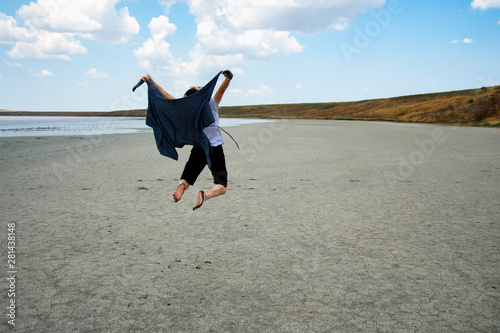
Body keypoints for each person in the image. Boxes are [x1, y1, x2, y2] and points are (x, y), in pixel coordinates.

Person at [141, 71, 233, 210]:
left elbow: (166, 95)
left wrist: (152, 81)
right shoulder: (210, 104)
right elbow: (221, 90)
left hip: (198, 147)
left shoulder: (186, 110)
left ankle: (180, 189)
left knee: (187, 178)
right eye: (200, 89)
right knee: (222, 186)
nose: (202, 89)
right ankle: (205, 195)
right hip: (214, 147)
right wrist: (228, 78)